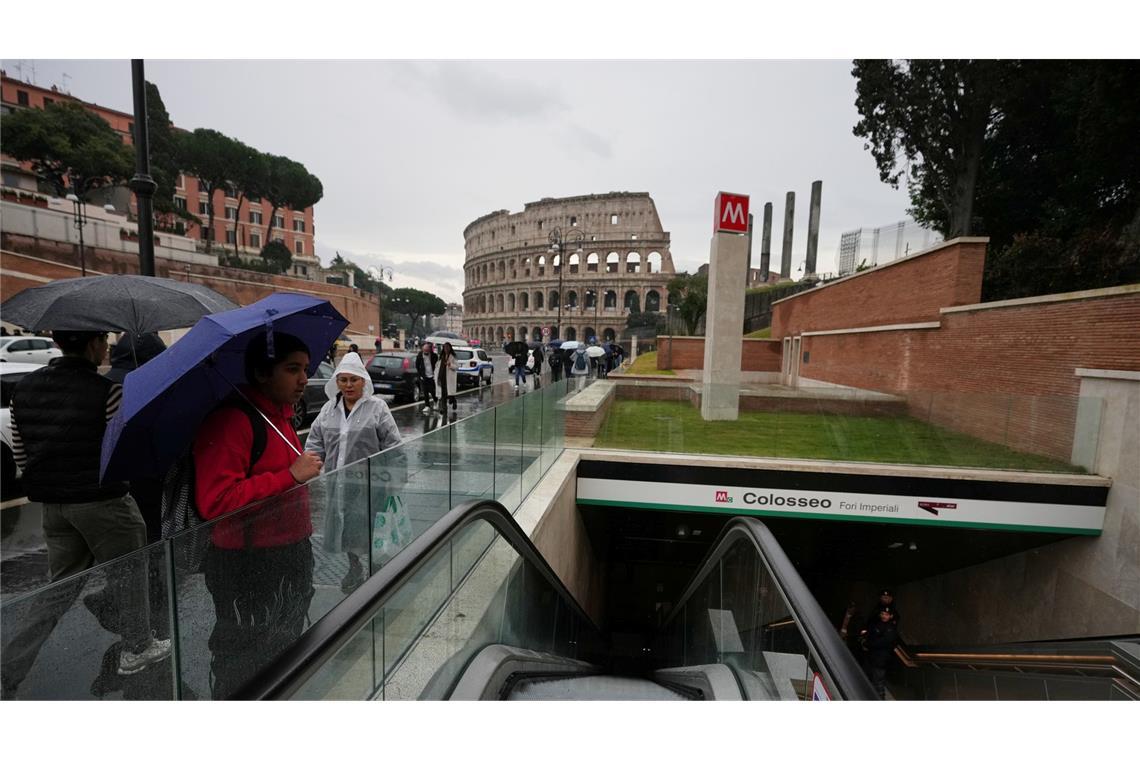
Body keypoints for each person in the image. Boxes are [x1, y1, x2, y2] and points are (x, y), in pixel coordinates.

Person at [2, 330, 169, 697]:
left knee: (57, 590)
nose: (107, 346)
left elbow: (20, 455)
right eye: (104, 340)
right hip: (104, 503)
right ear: (92, 344)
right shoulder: (105, 390)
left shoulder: (24, 389)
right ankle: (137, 647)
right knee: (130, 573)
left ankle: (9, 669)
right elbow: (120, 450)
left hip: (54, 506)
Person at [191, 331, 323, 698]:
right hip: (248, 565)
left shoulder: (279, 418)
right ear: (262, 373)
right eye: (291, 369)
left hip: (289, 554)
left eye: (305, 369)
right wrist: (289, 476)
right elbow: (215, 501)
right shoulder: (233, 421)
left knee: (284, 647)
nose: (303, 380)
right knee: (246, 655)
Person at [305, 352, 403, 594]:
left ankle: (377, 566)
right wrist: (312, 465)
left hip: (372, 482)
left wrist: (395, 479)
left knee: (372, 525)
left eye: (353, 380)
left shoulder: (377, 408)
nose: (348, 385)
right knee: (345, 525)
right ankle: (354, 566)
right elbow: (314, 442)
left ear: (363, 381)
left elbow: (394, 445)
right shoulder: (328, 410)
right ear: (336, 382)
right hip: (339, 482)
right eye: (343, 380)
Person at [860, 607, 899, 698]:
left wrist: (868, 644)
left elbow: (883, 642)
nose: (884, 616)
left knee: (878, 683)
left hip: (881, 659)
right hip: (871, 656)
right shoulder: (877, 624)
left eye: (886, 614)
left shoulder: (891, 628)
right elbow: (870, 634)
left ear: (891, 616)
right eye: (882, 614)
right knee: (866, 677)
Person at [437, 341, 459, 416]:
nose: (445, 348)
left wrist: (450, 364)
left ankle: (454, 400)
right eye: (444, 347)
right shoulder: (441, 356)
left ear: (450, 348)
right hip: (442, 377)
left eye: (447, 347)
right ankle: (443, 409)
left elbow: (457, 367)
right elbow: (438, 366)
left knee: (450, 394)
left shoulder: (453, 356)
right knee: (443, 394)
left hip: (449, 378)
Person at [415, 342, 438, 414]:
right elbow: (417, 366)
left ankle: (435, 401)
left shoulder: (434, 356)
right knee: (425, 391)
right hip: (424, 376)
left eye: (427, 351)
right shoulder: (419, 356)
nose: (425, 352)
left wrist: (436, 374)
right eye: (424, 351)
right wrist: (420, 375)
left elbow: (437, 365)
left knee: (432, 390)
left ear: (430, 350)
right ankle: (427, 406)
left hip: (432, 375)